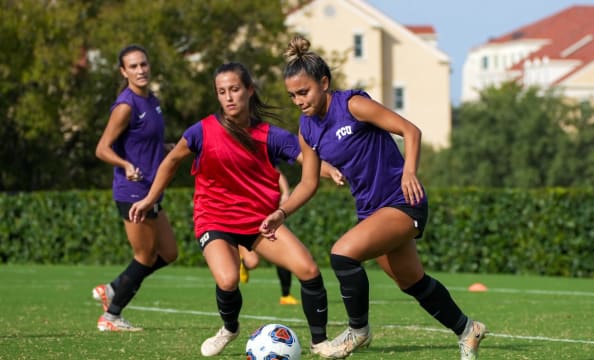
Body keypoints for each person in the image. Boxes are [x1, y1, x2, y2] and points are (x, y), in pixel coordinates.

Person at [260, 35, 487, 360]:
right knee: (412, 282)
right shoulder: (307, 129)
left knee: (342, 255)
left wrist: (410, 171)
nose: (298, 100)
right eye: (292, 95)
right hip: (372, 212)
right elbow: (308, 183)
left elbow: (411, 131)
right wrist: (281, 213)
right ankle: (468, 330)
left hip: (403, 200)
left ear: (324, 83)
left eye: (304, 91)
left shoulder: (351, 105)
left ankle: (358, 331)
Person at [129, 62, 342, 357]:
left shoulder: (272, 135)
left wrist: (334, 172)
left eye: (234, 89)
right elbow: (171, 161)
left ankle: (320, 343)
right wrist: (151, 198)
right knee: (228, 280)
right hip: (214, 219)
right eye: (222, 92)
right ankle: (229, 328)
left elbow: (310, 162)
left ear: (249, 90)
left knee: (308, 269)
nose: (228, 97)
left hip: (259, 222)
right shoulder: (202, 131)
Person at [93, 44, 178, 332]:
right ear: (123, 71)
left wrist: (177, 150)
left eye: (143, 64)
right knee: (145, 257)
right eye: (133, 66)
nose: (140, 70)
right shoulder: (126, 105)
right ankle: (111, 316)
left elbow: (150, 145)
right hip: (132, 193)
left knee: (169, 253)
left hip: (152, 190)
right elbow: (102, 149)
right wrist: (125, 165)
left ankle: (114, 288)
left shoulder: (152, 100)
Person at [238, 170, 300, 306]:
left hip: (267, 213)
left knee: (284, 255)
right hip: (246, 216)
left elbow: (277, 172)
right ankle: (242, 259)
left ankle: (286, 294)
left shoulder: (266, 155)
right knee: (252, 262)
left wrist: (285, 193)